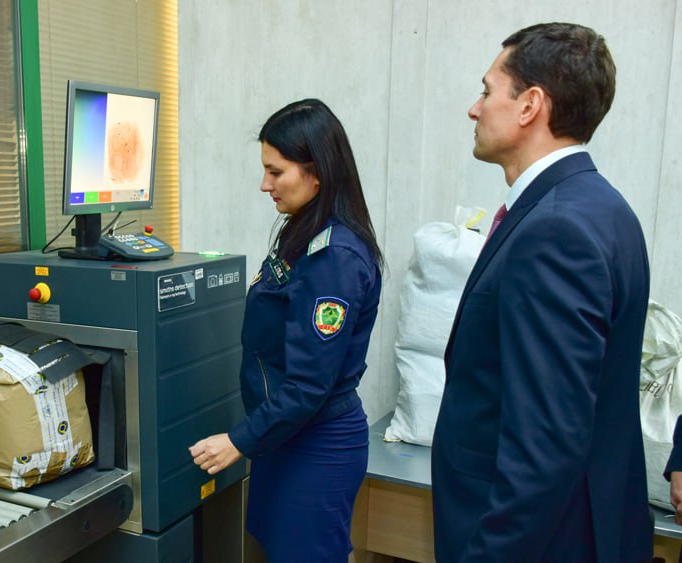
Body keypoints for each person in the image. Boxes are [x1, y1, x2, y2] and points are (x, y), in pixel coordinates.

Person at [430, 22, 652, 562]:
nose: (474, 109)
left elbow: (544, 447)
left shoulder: (556, 231)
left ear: (530, 104)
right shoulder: (604, 207)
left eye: (487, 91)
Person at [188, 98, 383, 561]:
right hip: (283, 436)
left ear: (317, 172)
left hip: (317, 446)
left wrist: (238, 440)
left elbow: (309, 383)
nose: (264, 184)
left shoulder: (334, 258)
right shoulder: (302, 232)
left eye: (276, 172)